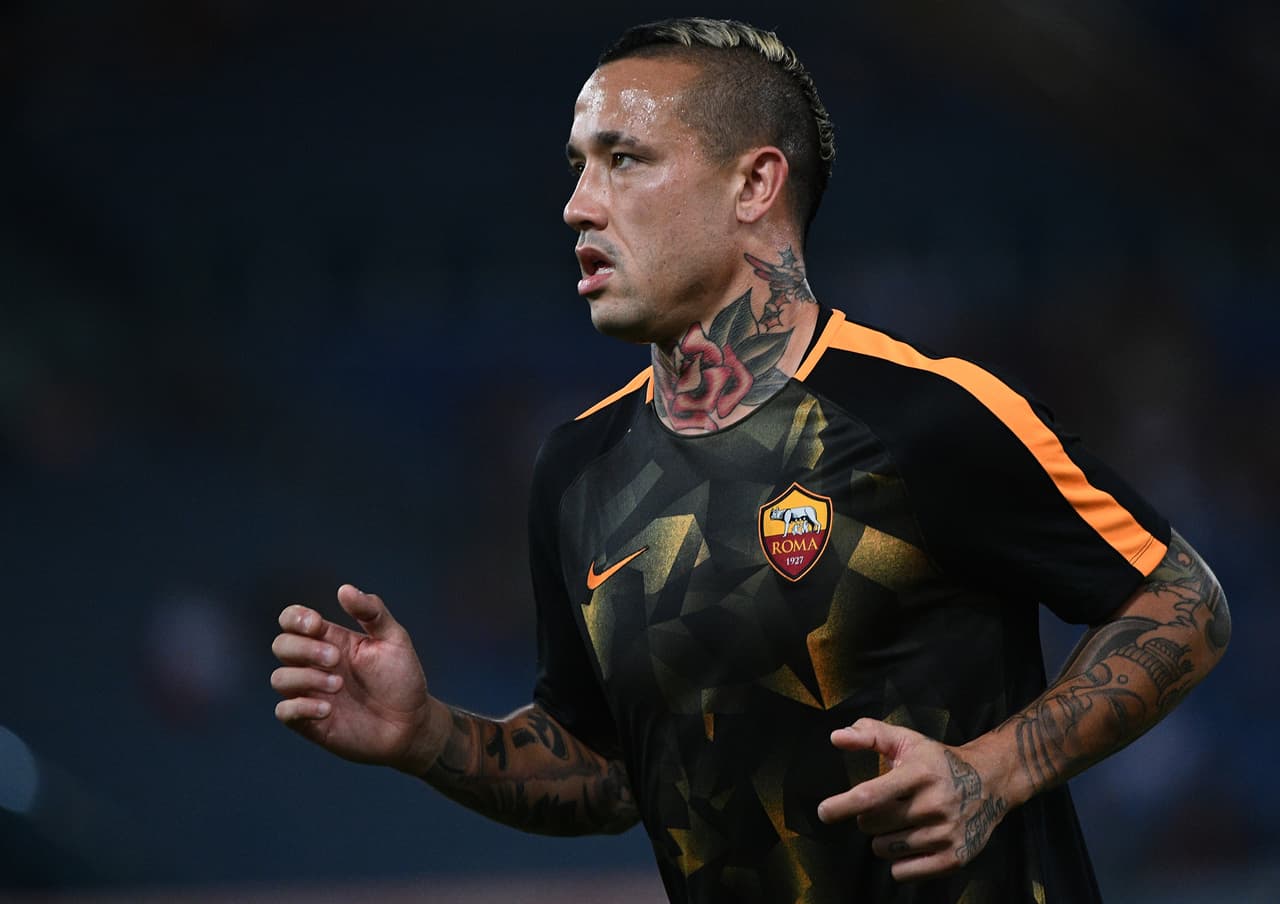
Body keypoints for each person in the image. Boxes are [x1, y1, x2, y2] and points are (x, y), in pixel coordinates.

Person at [270, 17, 1230, 903]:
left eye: (623, 161)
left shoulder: (926, 414)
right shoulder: (578, 469)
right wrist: (426, 735)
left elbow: (1182, 600)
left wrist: (994, 770)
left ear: (754, 184)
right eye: (576, 167)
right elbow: (607, 771)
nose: (575, 205)